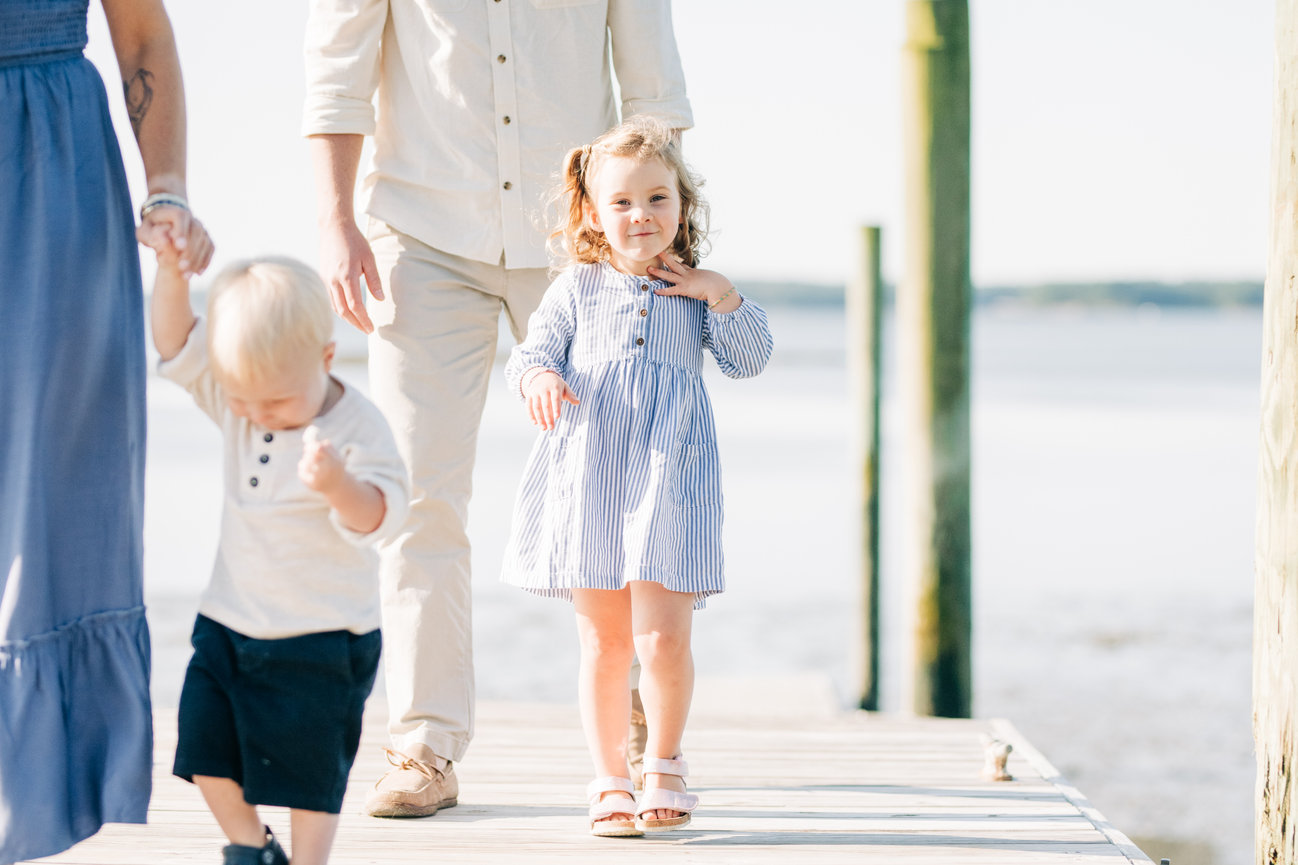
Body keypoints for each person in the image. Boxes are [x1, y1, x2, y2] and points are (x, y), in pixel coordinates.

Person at [302, 0, 693, 818]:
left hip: (585, 244)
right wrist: (336, 220)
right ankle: (424, 744)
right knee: (417, 492)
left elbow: (653, 88)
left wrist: (658, 234)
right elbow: (336, 75)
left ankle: (636, 723)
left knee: (627, 486)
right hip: (423, 235)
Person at [500, 116, 773, 836]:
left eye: (657, 198)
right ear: (593, 213)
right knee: (604, 644)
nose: (640, 215)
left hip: (671, 482)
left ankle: (665, 761)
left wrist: (721, 293)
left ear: (682, 205)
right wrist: (537, 380)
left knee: (662, 640)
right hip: (591, 477)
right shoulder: (575, 289)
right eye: (621, 202)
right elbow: (530, 356)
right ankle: (609, 777)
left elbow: (750, 359)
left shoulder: (695, 288)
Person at [0, 1, 213, 861]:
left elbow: (143, 33)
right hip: (55, 145)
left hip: (53, 157)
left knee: (58, 478)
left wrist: (168, 188)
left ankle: (30, 797)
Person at [149, 254, 410, 865]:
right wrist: (169, 269)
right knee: (202, 750)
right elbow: (174, 341)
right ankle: (250, 847)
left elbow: (383, 517)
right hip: (229, 624)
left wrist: (337, 485)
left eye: (276, 401)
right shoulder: (243, 396)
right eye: (242, 401)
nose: (259, 415)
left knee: (311, 774)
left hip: (324, 638)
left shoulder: (357, 427)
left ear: (325, 358)